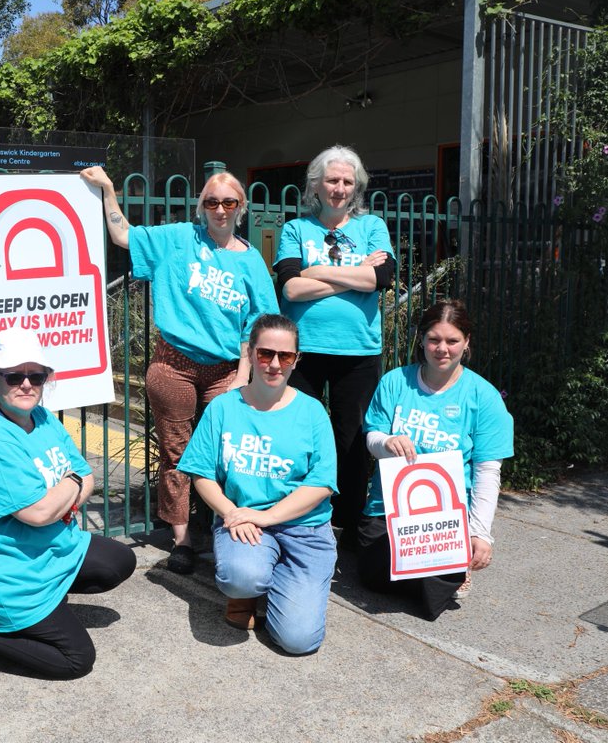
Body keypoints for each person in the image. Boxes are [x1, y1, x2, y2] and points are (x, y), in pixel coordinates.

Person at [79, 165, 278, 575]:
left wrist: (243, 375)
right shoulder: (176, 239)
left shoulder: (253, 261)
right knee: (178, 455)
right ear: (200, 206)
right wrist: (108, 190)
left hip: (227, 369)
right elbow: (122, 234)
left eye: (228, 202)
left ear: (240, 207)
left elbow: (258, 323)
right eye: (211, 202)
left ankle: (230, 529)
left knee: (228, 455)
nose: (220, 209)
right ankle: (183, 541)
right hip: (173, 363)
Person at [0, 328, 136, 679]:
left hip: (48, 546)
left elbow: (88, 476)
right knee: (75, 660)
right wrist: (68, 485)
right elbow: (40, 512)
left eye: (36, 375)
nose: (26, 384)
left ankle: (42, 606)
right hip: (5, 570)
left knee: (120, 561)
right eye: (14, 375)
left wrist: (63, 496)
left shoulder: (41, 417)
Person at [179, 314, 338, 653]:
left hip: (304, 528)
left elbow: (322, 484)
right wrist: (232, 512)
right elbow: (202, 474)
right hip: (243, 522)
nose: (274, 364)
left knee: (298, 642)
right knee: (242, 577)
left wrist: (267, 517)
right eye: (265, 354)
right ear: (250, 353)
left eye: (286, 356)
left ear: (297, 360)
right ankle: (250, 592)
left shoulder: (312, 413)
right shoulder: (223, 408)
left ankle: (279, 586)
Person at [356, 300, 514, 620]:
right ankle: (437, 570)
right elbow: (371, 438)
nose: (442, 349)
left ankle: (449, 567)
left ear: (466, 343)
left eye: (452, 340)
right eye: (434, 339)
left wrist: (479, 533)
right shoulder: (395, 381)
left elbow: (486, 472)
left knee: (433, 590)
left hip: (444, 519)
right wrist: (387, 441)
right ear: (422, 340)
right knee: (373, 579)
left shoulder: (483, 397)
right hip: (387, 509)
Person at [273, 145, 395, 550]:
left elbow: (383, 279)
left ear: (355, 186)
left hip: (358, 351)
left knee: (352, 439)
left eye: (346, 181)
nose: (339, 188)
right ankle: (299, 516)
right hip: (305, 349)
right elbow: (290, 286)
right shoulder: (296, 229)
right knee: (302, 434)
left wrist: (319, 272)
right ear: (315, 185)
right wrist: (357, 272)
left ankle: (346, 524)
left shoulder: (372, 226)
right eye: (331, 180)